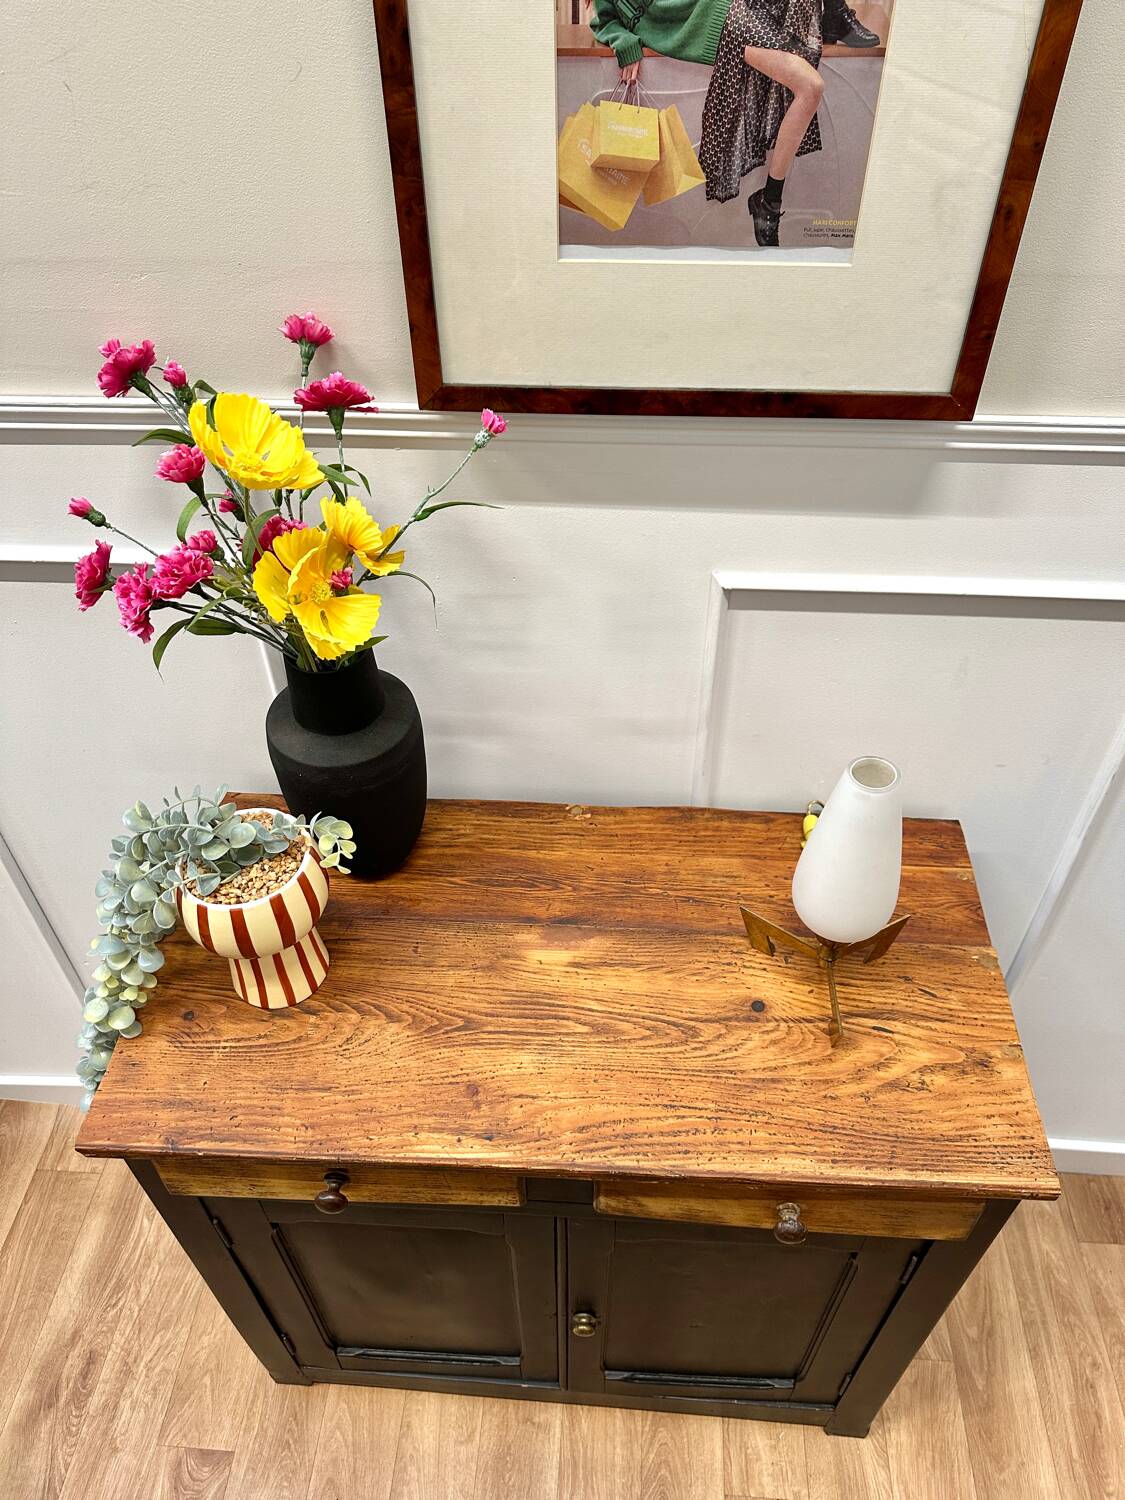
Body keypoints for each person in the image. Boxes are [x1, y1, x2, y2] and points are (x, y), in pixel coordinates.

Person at [590, 0, 879, 248]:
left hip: (731, 9)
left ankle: (835, 13)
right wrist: (623, 41)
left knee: (810, 86)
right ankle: (769, 202)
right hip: (719, 23)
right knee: (811, 86)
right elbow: (603, 22)